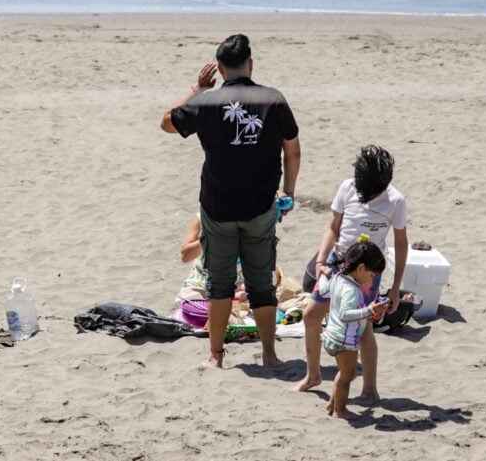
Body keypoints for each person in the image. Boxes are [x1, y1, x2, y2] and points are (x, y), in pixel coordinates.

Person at [161, 33, 301, 369]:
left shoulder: (206, 102)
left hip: (218, 207)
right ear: (250, 65)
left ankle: (216, 355)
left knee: (219, 283)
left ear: (220, 69)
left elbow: (167, 123)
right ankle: (269, 354)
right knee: (260, 284)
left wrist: (197, 89)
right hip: (260, 207)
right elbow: (292, 150)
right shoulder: (274, 100)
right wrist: (289, 193)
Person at [293, 145, 407, 402]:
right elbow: (333, 227)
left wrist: (396, 289)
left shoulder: (396, 201)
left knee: (364, 329)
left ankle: (370, 389)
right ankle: (313, 375)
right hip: (339, 263)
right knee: (311, 315)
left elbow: (401, 244)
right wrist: (321, 261)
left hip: (367, 273)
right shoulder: (347, 187)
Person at [320, 240, 388, 419]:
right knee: (347, 376)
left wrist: (324, 274)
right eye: (372, 275)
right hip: (344, 341)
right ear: (361, 269)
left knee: (342, 372)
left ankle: (332, 403)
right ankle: (339, 411)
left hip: (332, 336)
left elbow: (323, 291)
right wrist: (369, 310)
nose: (372, 279)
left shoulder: (337, 277)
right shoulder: (351, 289)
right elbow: (345, 314)